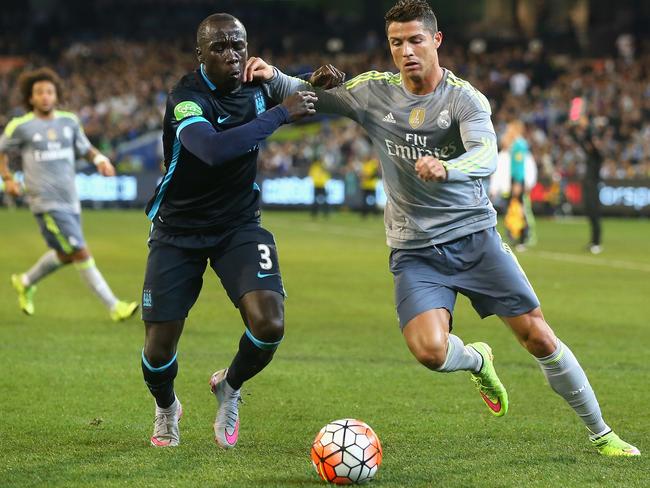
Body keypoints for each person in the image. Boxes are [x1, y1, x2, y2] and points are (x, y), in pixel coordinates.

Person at [247, 0, 639, 456]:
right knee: (431, 352)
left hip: (474, 238)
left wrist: (449, 168)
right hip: (415, 250)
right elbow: (305, 92)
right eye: (397, 43)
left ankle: (602, 433)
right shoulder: (375, 93)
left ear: (436, 41)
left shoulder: (465, 99)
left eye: (416, 40)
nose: (407, 51)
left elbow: (486, 156)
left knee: (537, 335)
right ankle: (478, 359)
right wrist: (270, 73)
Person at [140, 12, 335, 448]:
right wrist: (282, 114)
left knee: (270, 323)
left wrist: (320, 79)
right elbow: (211, 149)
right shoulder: (185, 97)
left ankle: (230, 385)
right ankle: (167, 406)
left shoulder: (260, 86)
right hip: (178, 230)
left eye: (239, 46)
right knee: (158, 349)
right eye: (220, 47)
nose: (232, 55)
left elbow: (315, 95)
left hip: (238, 225)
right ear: (200, 54)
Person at [0, 68, 138, 322]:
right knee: (79, 250)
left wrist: (100, 160)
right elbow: (2, 150)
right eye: (39, 92)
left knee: (65, 253)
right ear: (30, 98)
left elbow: (85, 148)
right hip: (45, 202)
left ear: (56, 95)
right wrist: (7, 178)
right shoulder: (21, 126)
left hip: (70, 200)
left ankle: (25, 281)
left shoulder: (69, 121)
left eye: (49, 92)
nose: (45, 96)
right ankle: (114, 306)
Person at [573, 122, 604, 254]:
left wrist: (589, 131)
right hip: (587, 186)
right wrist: (573, 129)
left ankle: (597, 242)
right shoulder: (590, 154)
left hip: (594, 186)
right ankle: (593, 242)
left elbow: (589, 142)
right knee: (590, 214)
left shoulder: (598, 156)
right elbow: (580, 142)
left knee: (595, 215)